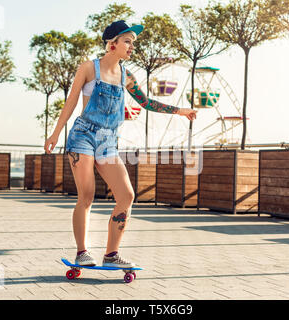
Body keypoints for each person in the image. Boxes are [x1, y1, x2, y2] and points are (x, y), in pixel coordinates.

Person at [44, 20, 197, 268]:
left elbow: (146, 103)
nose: (132, 46)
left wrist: (180, 111)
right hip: (83, 136)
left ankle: (111, 254)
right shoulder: (89, 68)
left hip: (108, 141)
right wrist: (55, 134)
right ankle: (82, 252)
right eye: (128, 41)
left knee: (126, 195)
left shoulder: (127, 76)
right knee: (87, 195)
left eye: (133, 42)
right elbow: (71, 103)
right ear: (111, 44)